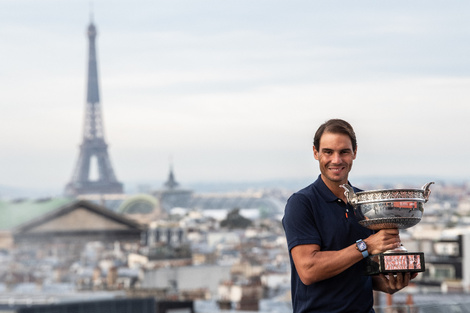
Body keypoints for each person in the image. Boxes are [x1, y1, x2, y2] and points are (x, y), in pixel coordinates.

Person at [282, 119, 417, 313]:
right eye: (328, 152)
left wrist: (389, 282)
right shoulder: (302, 203)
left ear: (354, 152)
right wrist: (367, 245)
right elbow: (308, 270)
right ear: (316, 153)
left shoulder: (368, 204)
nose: (336, 160)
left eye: (344, 152)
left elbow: (364, 271)